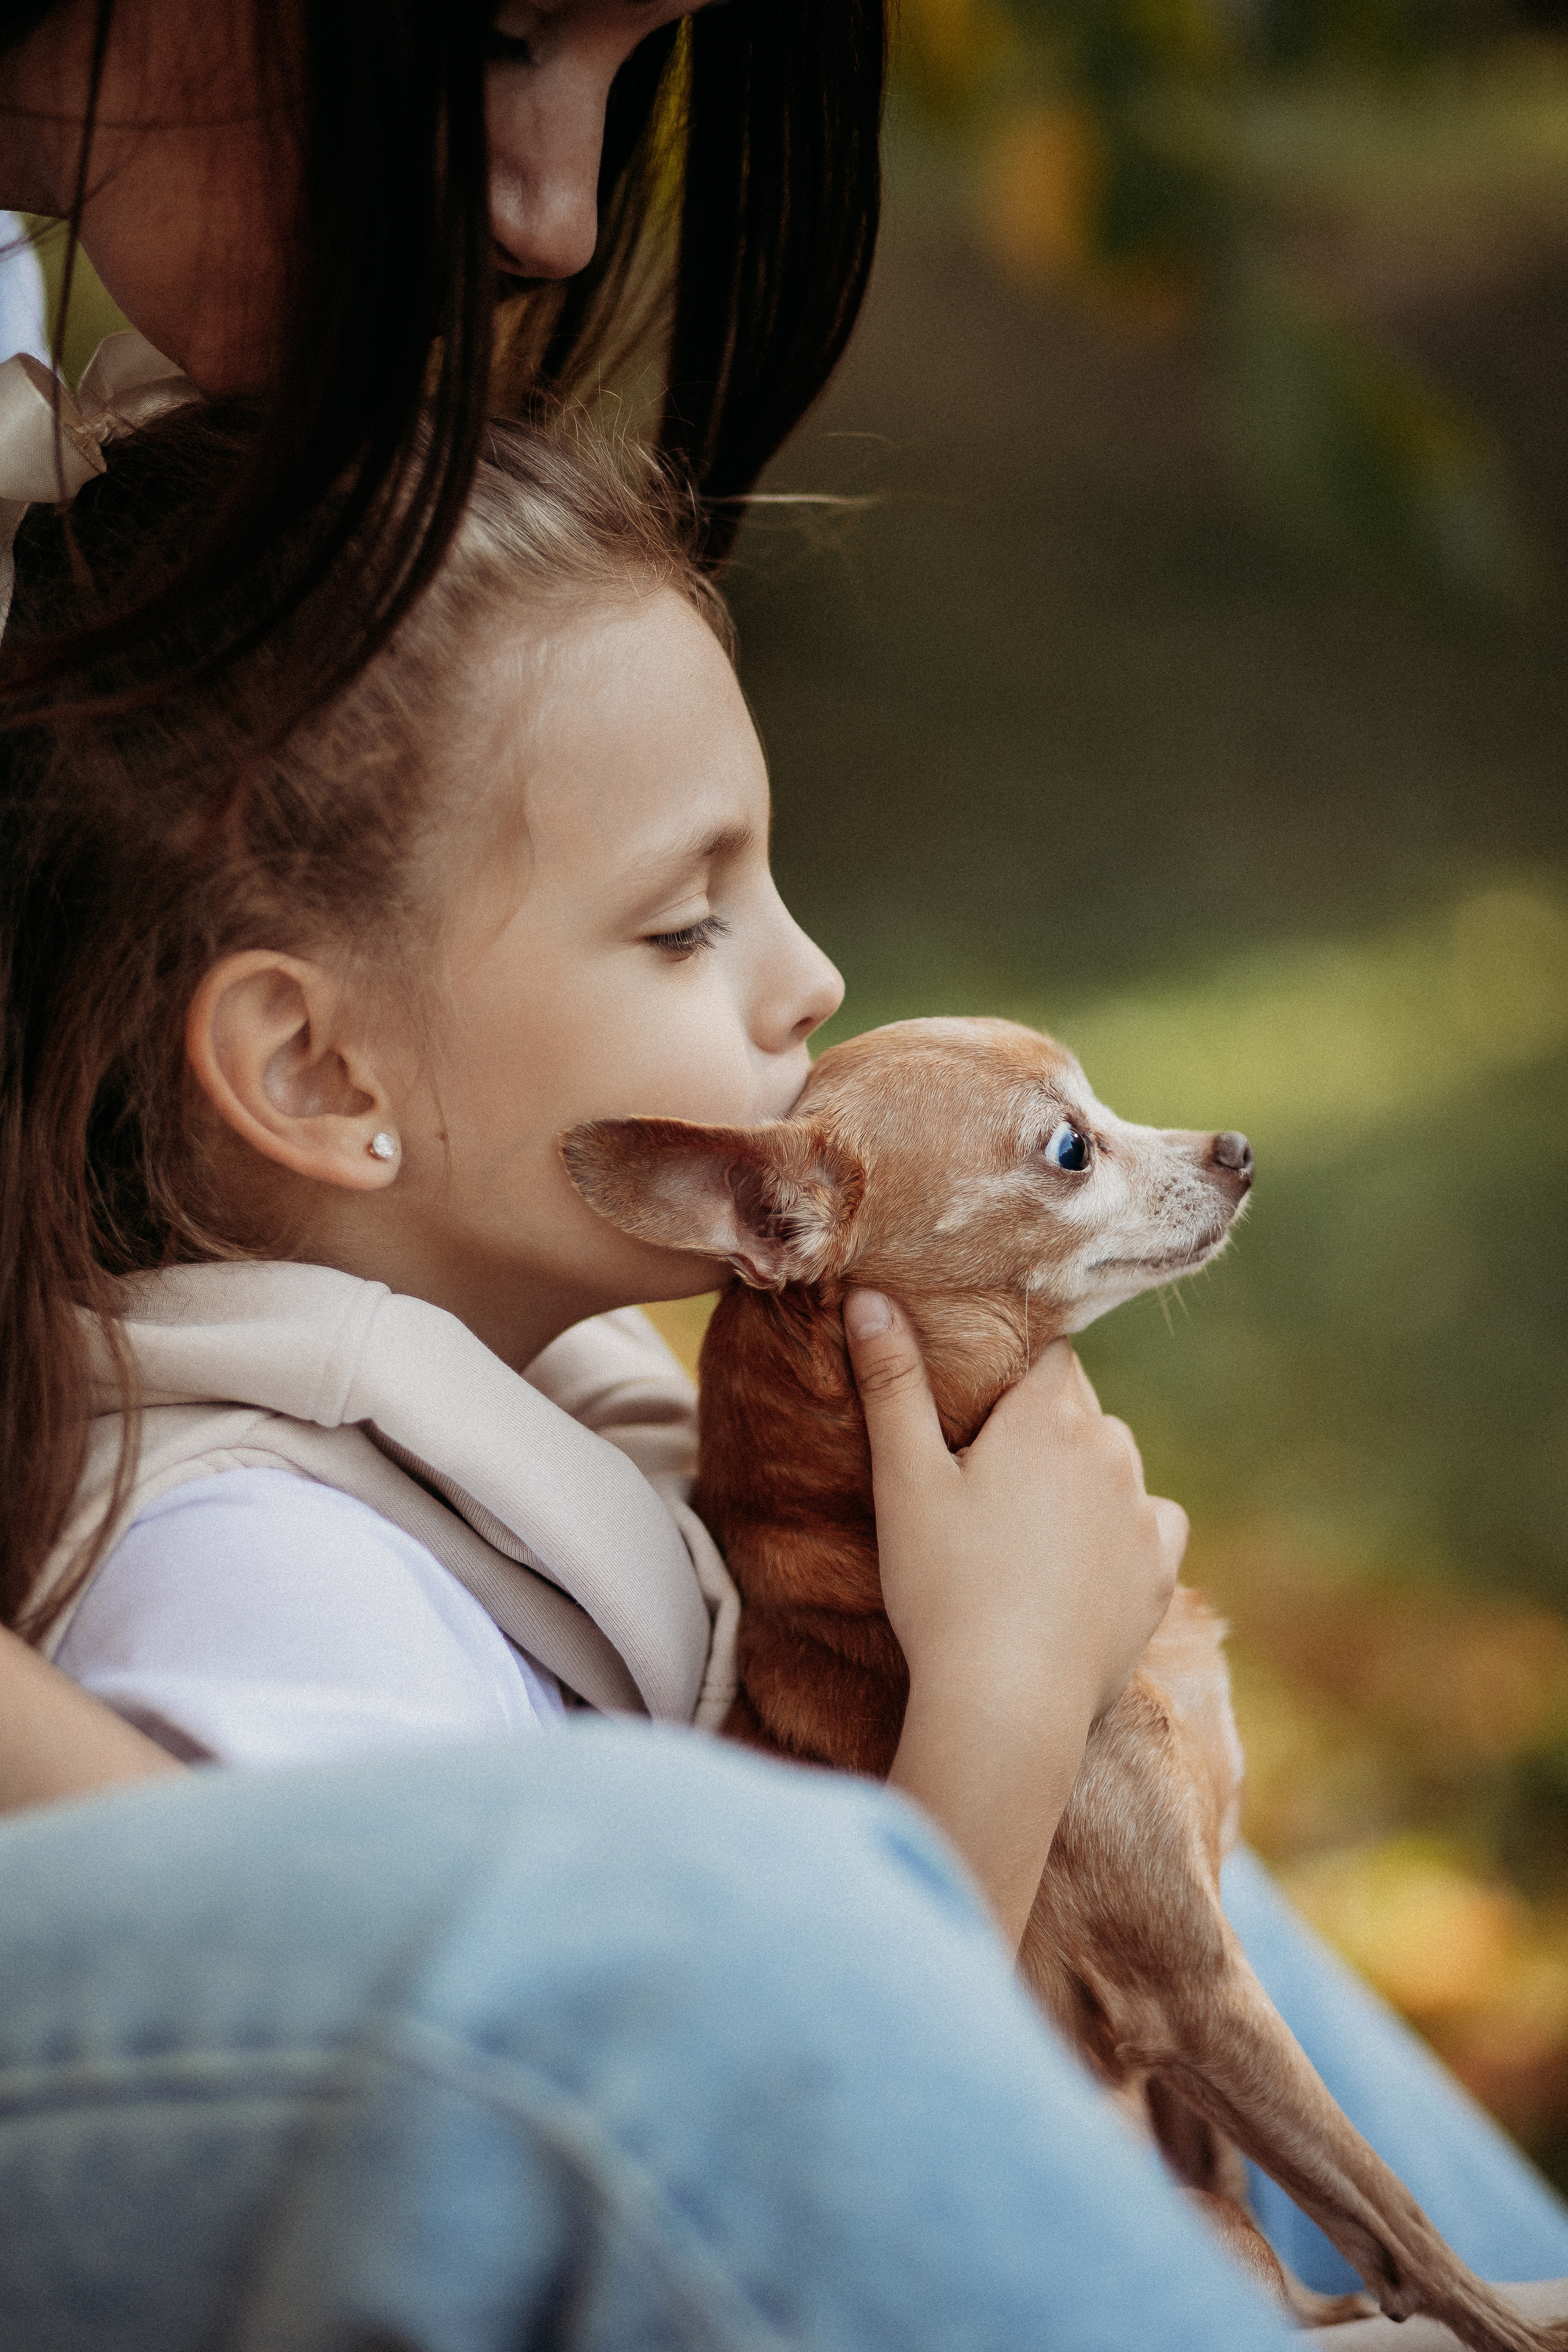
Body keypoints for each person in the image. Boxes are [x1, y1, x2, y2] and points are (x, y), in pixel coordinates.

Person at [4, 401, 1568, 2348]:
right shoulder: (256, 1578)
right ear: (321, 1075)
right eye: (688, 918)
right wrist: (999, 1704)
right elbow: (585, 2197)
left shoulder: (543, 1433)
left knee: (1181, 1880)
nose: (809, 975)